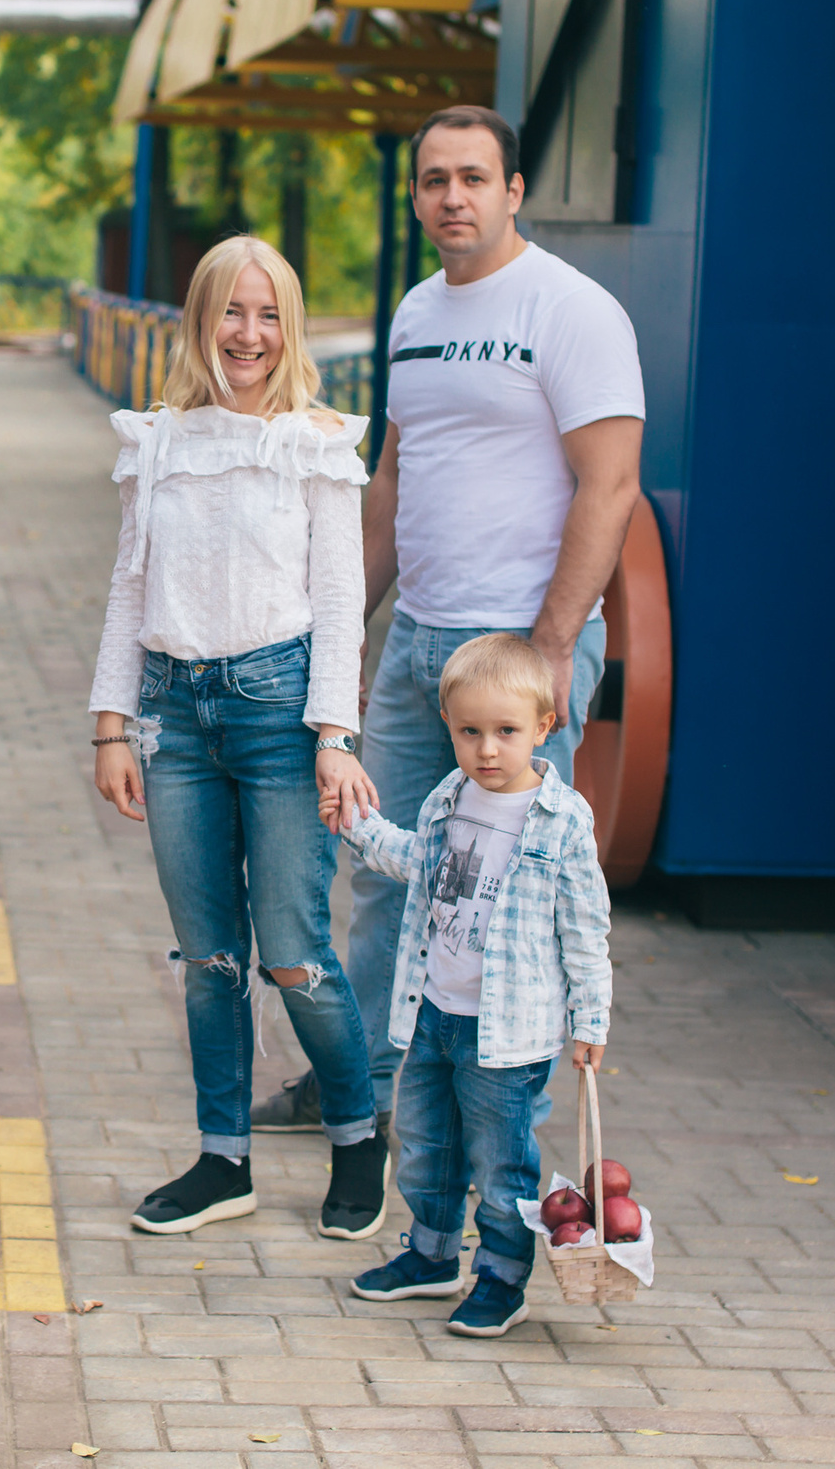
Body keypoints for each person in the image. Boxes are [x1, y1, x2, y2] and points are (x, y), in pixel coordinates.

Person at [251, 105, 643, 1136]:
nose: (452, 197)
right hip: (417, 638)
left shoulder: (573, 310)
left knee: (507, 892)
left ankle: (493, 1111)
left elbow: (610, 488)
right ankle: (367, 1090)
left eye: (473, 177)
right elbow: (393, 480)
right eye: (434, 180)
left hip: (517, 650)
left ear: (514, 190)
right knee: (379, 868)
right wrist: (336, 629)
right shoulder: (416, 315)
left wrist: (553, 649)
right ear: (416, 194)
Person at [89, 234, 389, 1239]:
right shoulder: (158, 440)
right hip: (174, 718)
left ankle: (356, 1137)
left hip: (279, 715)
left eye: (267, 315)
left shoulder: (313, 444)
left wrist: (335, 736)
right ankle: (224, 1162)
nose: (248, 333)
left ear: (286, 328)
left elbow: (342, 602)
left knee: (296, 955)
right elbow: (129, 587)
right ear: (200, 322)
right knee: (209, 958)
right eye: (231, 311)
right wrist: (111, 727)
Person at [326, 633, 611, 1336]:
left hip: (506, 1032)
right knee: (424, 1142)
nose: (488, 749)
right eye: (470, 732)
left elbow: (584, 927)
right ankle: (431, 1254)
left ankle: (503, 1278)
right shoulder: (449, 799)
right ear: (449, 729)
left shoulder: (562, 820)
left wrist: (590, 1020)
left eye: (507, 731)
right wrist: (356, 825)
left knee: (502, 1161)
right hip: (434, 1013)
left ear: (546, 725)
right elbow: (413, 862)